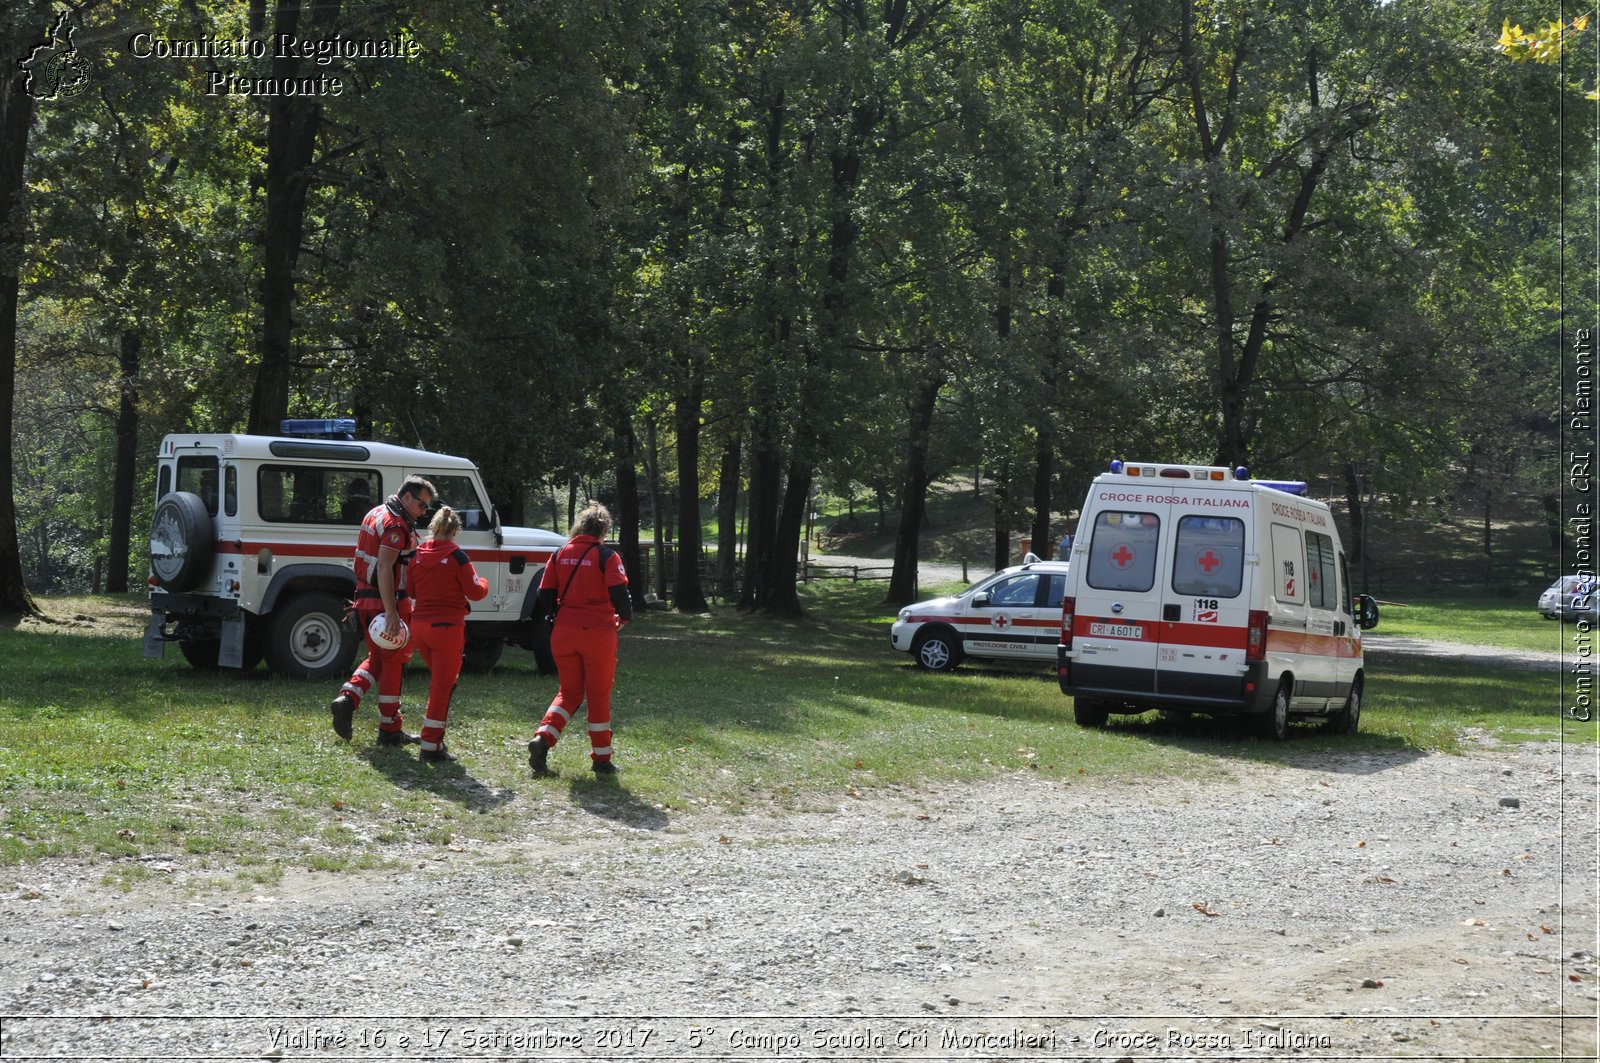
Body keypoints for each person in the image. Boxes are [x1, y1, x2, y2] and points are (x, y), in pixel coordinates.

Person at [330, 475, 436, 745]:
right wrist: (391, 612)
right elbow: (385, 567)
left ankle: (349, 698)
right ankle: (389, 728)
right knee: (393, 663)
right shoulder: (396, 525)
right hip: (385, 602)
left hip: (366, 600)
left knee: (378, 658)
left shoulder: (376, 513)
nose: (424, 512)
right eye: (422, 505)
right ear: (408, 497)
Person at [528, 501, 632, 777]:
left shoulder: (560, 553)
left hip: (563, 632)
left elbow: (545, 592)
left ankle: (543, 738)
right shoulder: (607, 556)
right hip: (597, 633)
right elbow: (619, 592)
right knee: (597, 695)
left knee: (569, 693)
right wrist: (625, 616)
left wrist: (556, 615)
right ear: (603, 530)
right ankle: (601, 759)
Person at [407, 505, 490, 763]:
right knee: (442, 686)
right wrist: (485, 582)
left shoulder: (417, 554)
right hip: (447, 630)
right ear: (455, 530)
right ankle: (431, 745)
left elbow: (411, 591)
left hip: (420, 628)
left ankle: (435, 740)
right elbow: (476, 592)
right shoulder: (457, 556)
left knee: (443, 684)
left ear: (433, 528)